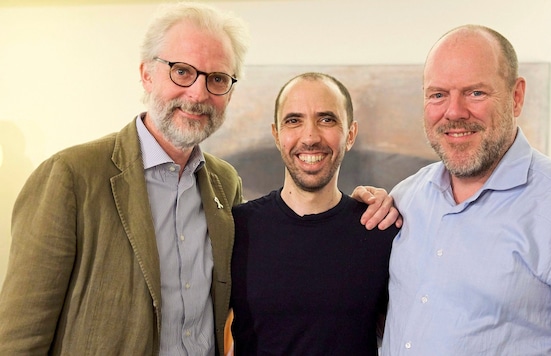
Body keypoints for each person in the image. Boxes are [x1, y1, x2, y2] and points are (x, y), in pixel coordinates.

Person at [0, 3, 399, 355]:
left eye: (217, 79)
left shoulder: (224, 186)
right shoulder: (71, 177)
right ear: (146, 75)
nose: (197, 93)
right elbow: (19, 338)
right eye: (182, 71)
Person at [382, 25, 551, 355]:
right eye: (438, 94)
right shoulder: (405, 198)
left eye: (476, 93)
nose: (454, 112)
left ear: (516, 97)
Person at [229, 72, 401, 355]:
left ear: (351, 134)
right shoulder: (238, 229)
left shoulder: (379, 229)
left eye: (327, 119)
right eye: (294, 120)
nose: (309, 137)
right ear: (276, 135)